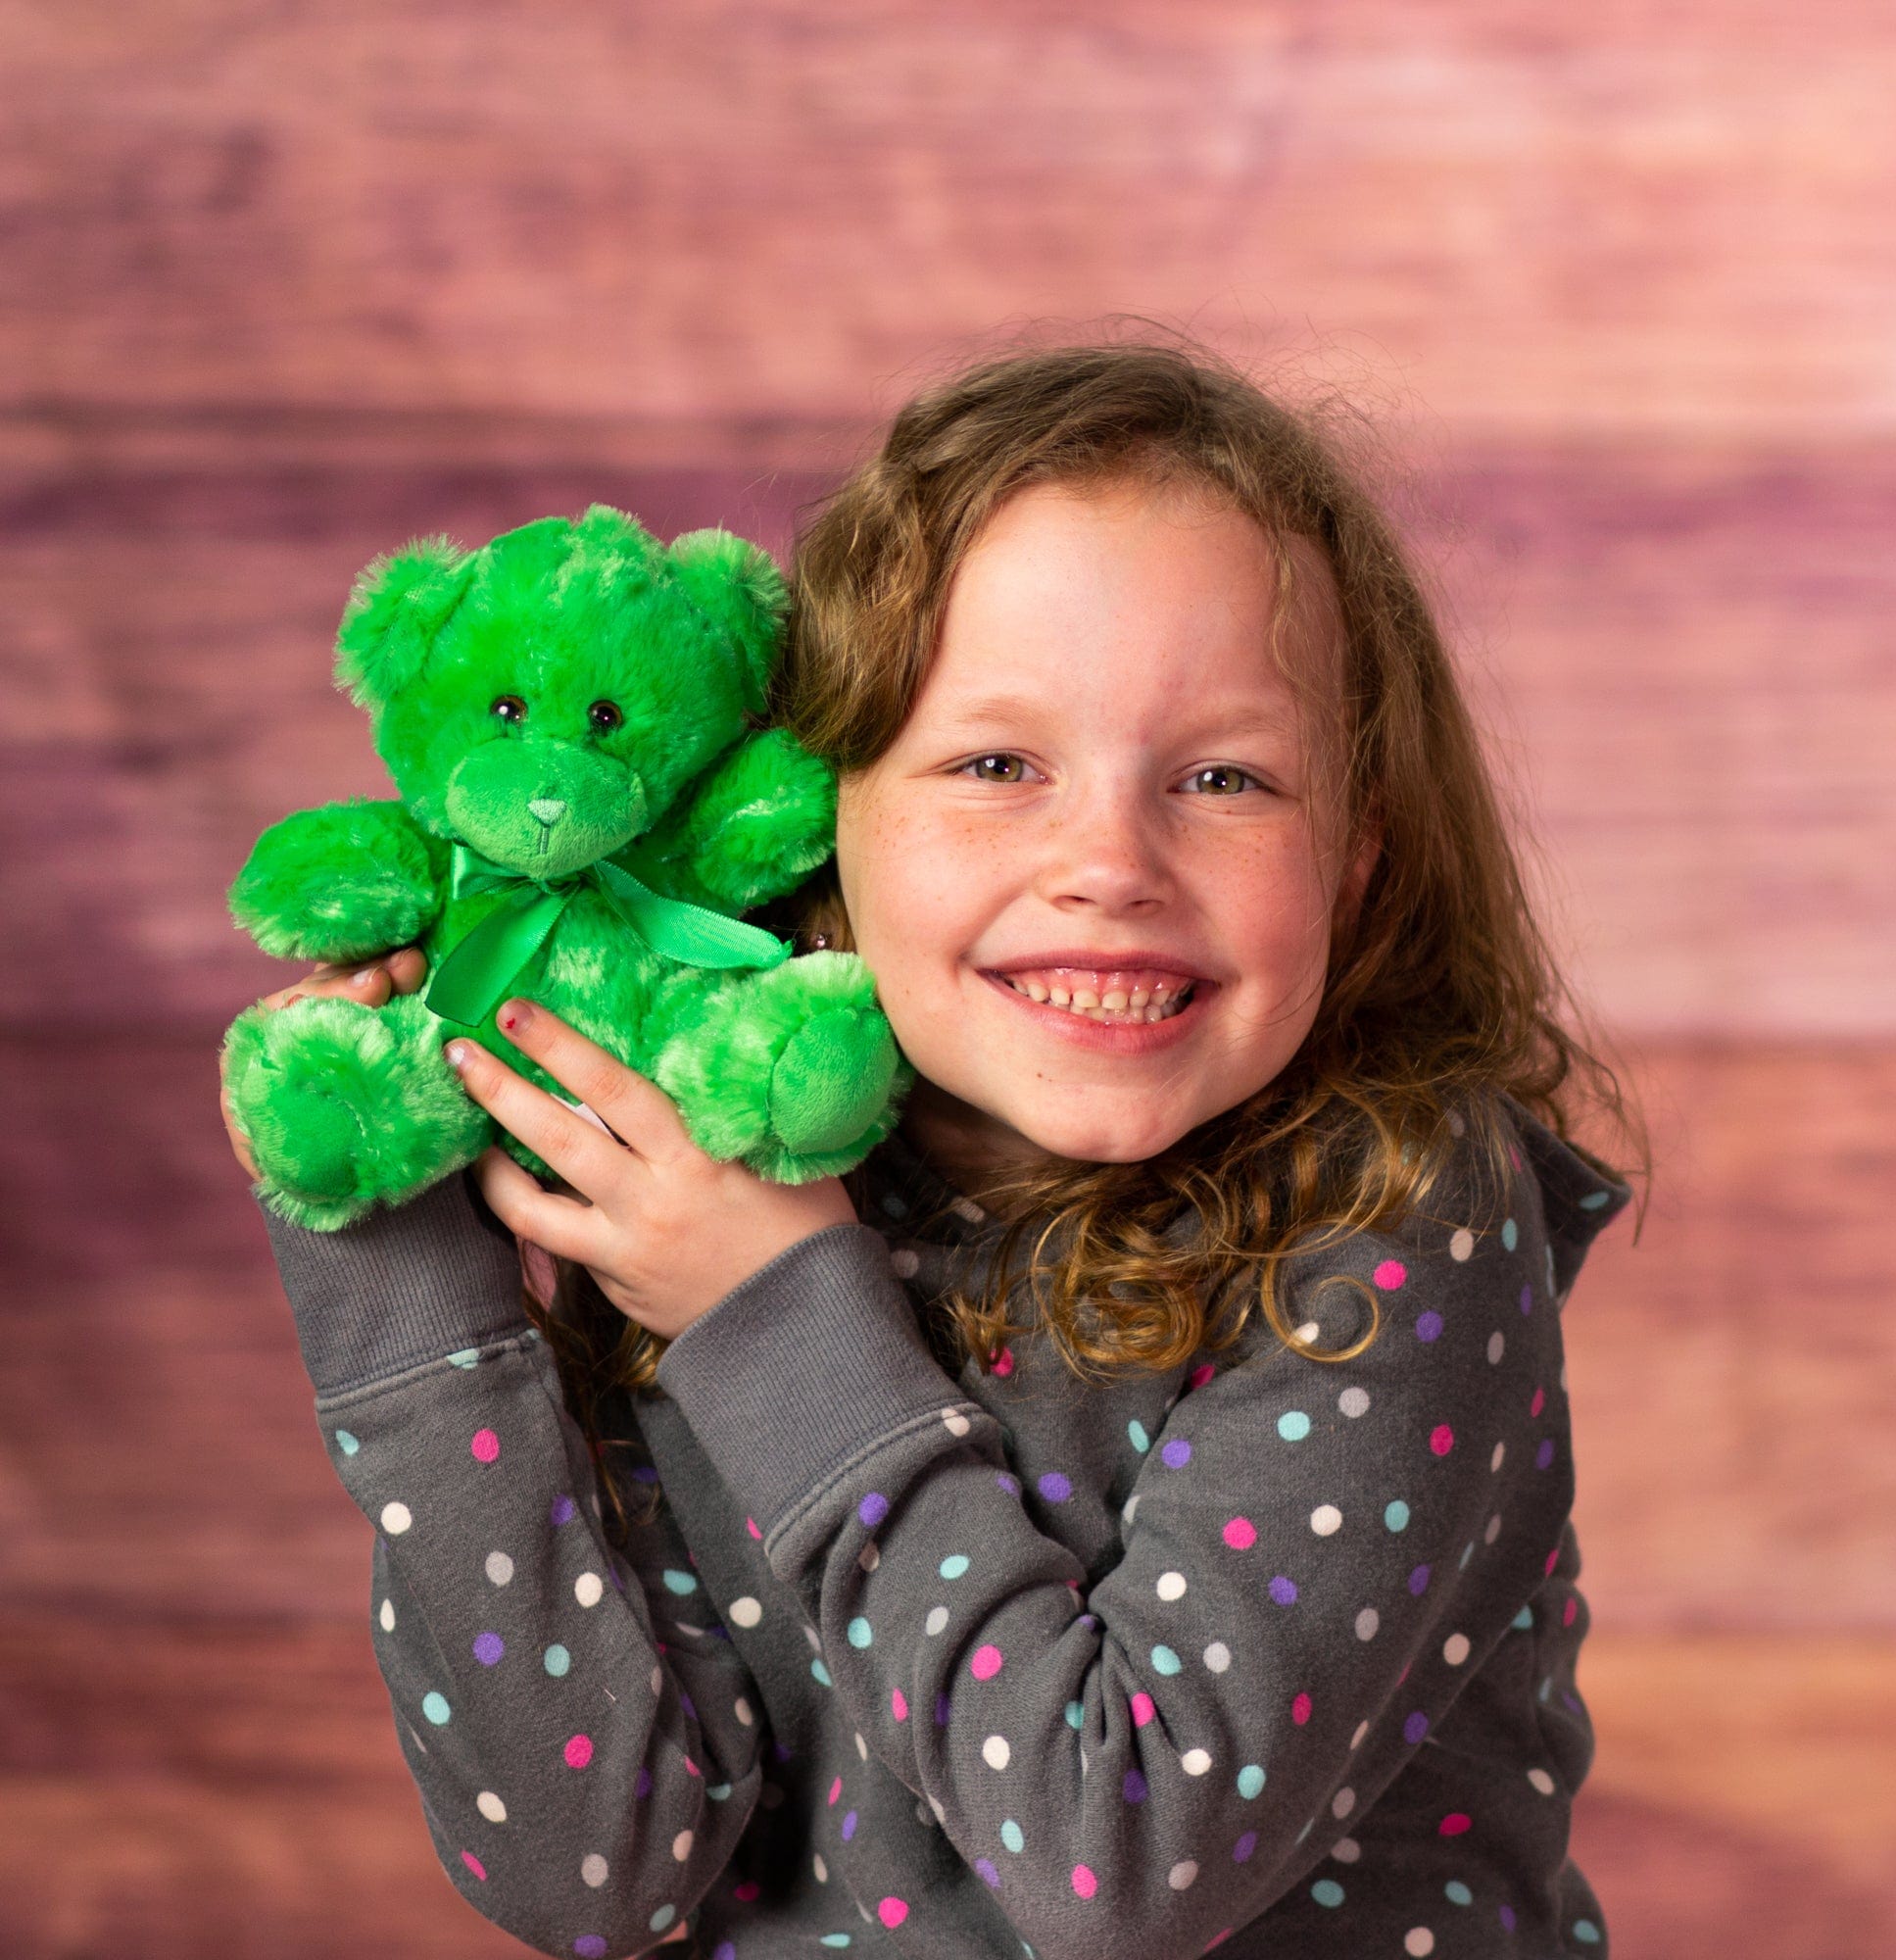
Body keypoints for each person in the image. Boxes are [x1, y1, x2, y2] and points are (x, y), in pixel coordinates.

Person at [222, 338, 1648, 1960]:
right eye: (994, 765)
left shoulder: (1394, 1205)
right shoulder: (715, 1170)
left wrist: (775, 1322)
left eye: (1224, 776)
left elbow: (1120, 1865)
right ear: (816, 819)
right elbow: (592, 1876)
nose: (1109, 861)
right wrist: (403, 1258)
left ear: (1359, 865)